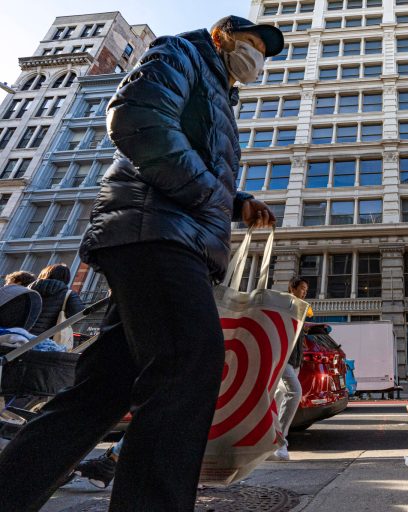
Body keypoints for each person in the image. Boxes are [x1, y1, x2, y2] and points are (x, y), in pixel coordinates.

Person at [0, 15, 283, 511]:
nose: (256, 59)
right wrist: (210, 196)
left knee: (104, 390)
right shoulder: (181, 54)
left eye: (263, 54)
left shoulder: (219, 92)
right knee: (189, 363)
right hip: (157, 233)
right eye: (251, 45)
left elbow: (190, 157)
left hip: (166, 232)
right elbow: (136, 121)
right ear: (221, 36)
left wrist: (235, 203)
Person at [271, 276, 310, 461]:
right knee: (295, 392)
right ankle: (280, 442)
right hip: (283, 360)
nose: (305, 292)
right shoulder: (285, 305)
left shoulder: (299, 308)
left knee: (278, 399)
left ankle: (269, 444)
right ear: (292, 288)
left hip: (295, 362)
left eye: (306, 290)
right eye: (302, 288)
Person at [28, 264, 85, 338]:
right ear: (66, 278)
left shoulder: (28, 290)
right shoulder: (68, 294)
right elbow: (79, 314)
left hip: (21, 336)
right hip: (46, 339)